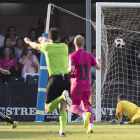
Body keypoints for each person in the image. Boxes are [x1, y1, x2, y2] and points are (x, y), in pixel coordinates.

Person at [24, 28, 72, 137]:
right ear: (59, 37)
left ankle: (62, 97)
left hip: (54, 79)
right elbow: (51, 44)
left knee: (48, 109)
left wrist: (28, 41)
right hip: (65, 80)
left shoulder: (46, 47)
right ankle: (62, 131)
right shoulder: (65, 46)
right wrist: (44, 41)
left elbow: (34, 46)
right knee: (63, 108)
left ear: (49, 37)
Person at [68, 35, 102, 133]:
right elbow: (98, 68)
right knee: (87, 106)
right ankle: (90, 125)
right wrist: (99, 62)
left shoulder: (72, 55)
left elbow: (72, 69)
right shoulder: (90, 55)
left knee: (71, 105)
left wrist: (66, 71)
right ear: (84, 43)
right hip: (87, 85)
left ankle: (83, 114)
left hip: (76, 84)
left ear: (74, 44)